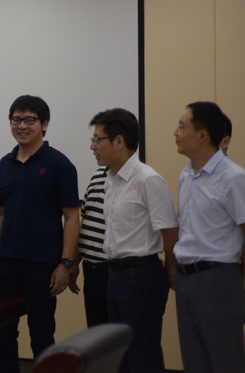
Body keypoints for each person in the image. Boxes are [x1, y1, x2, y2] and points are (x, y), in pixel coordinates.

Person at [0, 95, 79, 373]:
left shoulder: (59, 164)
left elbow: (72, 217)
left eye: (29, 120)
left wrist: (65, 264)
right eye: (16, 120)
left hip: (42, 264)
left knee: (42, 336)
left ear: (44, 124)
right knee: (1, 338)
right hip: (4, 264)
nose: (22, 126)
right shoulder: (6, 163)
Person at [90, 108, 178, 373]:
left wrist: (171, 271)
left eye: (97, 140)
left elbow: (169, 231)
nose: (92, 147)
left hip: (141, 274)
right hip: (114, 274)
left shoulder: (147, 179)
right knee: (120, 355)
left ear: (119, 141)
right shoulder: (110, 179)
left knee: (142, 353)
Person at [173, 102, 245, 373]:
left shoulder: (233, 177)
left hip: (218, 280)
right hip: (185, 279)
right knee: (194, 362)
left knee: (226, 362)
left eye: (182, 127)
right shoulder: (185, 176)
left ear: (202, 135)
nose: (175, 132)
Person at [67, 166, 110, 328]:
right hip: (92, 270)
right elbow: (86, 222)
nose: (94, 152)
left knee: (119, 335)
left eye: (98, 141)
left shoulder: (139, 179)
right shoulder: (97, 175)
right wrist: (73, 263)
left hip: (116, 271)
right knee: (97, 332)